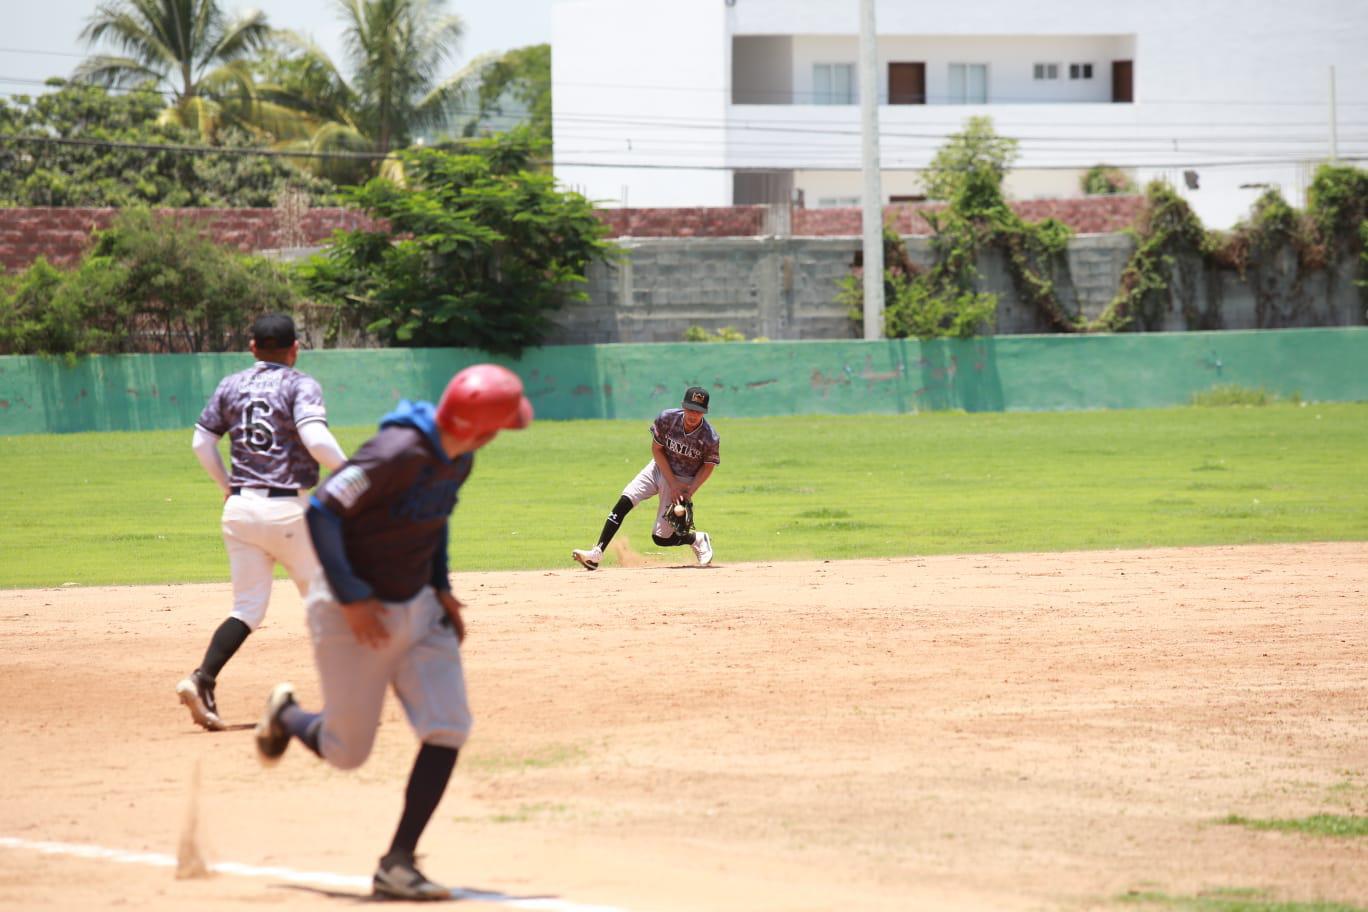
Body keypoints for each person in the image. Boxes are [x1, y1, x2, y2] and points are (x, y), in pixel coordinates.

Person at [254, 363, 533, 900]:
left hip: (419, 607)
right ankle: (286, 715)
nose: (500, 435)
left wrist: (442, 585)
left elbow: (436, 516)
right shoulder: (393, 452)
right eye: (499, 426)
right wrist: (354, 598)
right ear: (479, 427)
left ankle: (397, 862)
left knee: (448, 725)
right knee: (345, 751)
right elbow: (323, 512)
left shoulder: (460, 455)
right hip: (351, 612)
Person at [176, 313, 347, 731]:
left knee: (248, 608)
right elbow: (316, 439)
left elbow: (202, 442)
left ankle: (202, 679)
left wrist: (226, 485)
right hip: (288, 510)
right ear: (295, 348)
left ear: (252, 346)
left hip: (241, 511)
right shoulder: (299, 383)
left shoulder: (230, 385)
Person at [572, 385, 719, 571]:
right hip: (659, 467)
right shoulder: (667, 419)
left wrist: (689, 490)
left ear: (704, 412)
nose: (692, 414)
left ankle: (696, 539)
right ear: (683, 406)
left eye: (698, 411)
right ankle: (596, 554)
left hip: (684, 479)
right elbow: (657, 450)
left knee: (661, 538)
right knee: (626, 500)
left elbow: (708, 466)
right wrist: (671, 483)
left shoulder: (710, 437)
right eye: (690, 409)